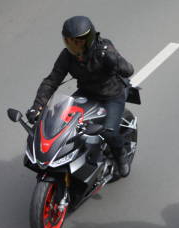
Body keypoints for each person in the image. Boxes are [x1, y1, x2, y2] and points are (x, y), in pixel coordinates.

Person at [26, 16, 135, 177]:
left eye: (79, 42)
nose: (74, 47)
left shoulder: (104, 48)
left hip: (111, 95)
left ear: (89, 38)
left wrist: (114, 61)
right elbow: (51, 81)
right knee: (57, 122)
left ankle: (121, 157)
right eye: (70, 42)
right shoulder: (67, 56)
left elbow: (129, 70)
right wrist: (37, 107)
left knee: (109, 132)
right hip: (86, 93)